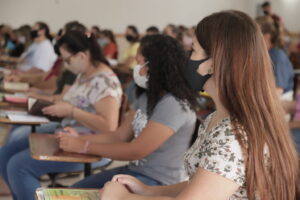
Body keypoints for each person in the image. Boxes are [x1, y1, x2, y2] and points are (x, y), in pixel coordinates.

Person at [101, 10, 298, 200]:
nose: (186, 58)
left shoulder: (233, 136)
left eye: (192, 51)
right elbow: (201, 184)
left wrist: (122, 197)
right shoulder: (217, 118)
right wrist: (146, 191)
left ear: (212, 63)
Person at [56, 34, 198, 190]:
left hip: (159, 182)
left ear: (154, 65)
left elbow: (136, 151)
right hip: (135, 172)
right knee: (74, 191)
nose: (135, 69)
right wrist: (78, 138)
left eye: (138, 63)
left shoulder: (174, 104)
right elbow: (119, 136)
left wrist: (84, 146)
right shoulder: (147, 95)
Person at [0, 30, 122, 200]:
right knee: (6, 153)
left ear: (82, 56)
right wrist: (44, 99)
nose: (65, 64)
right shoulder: (84, 74)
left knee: (18, 166)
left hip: (89, 144)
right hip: (65, 133)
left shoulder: (105, 82)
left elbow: (109, 127)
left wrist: (72, 111)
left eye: (67, 60)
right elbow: (68, 100)